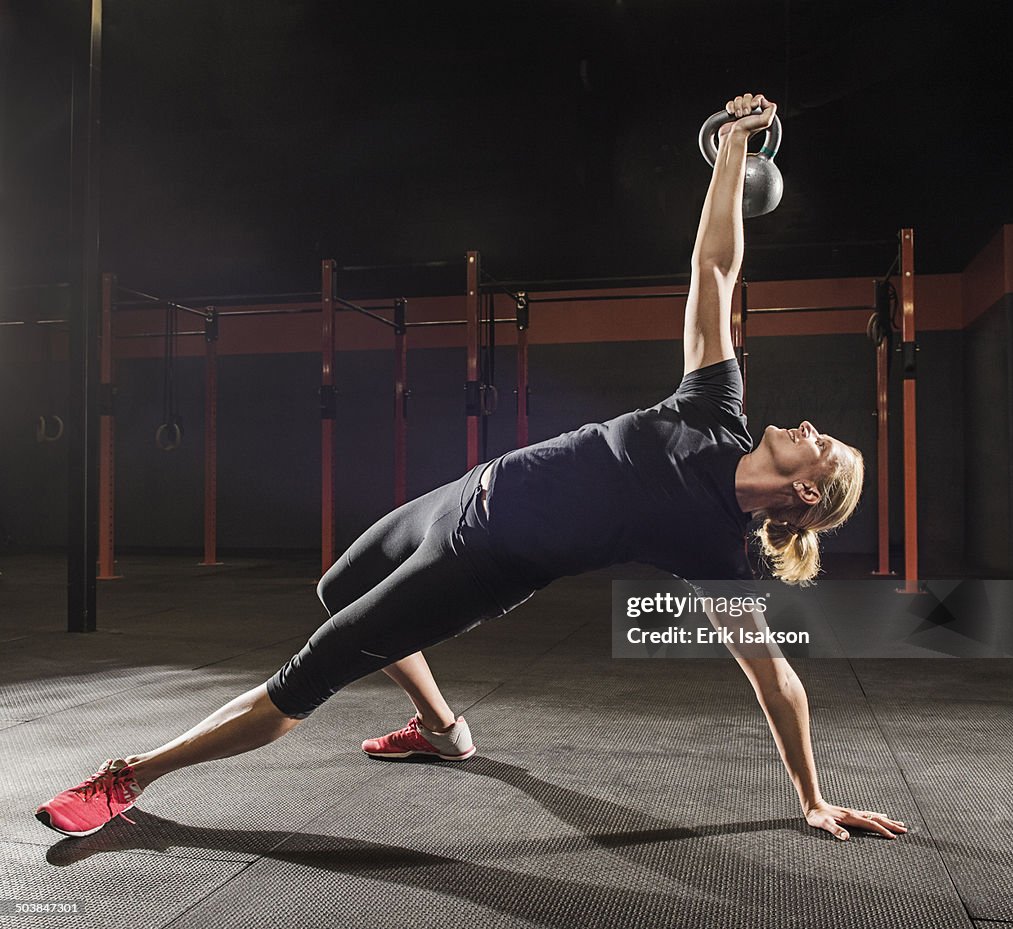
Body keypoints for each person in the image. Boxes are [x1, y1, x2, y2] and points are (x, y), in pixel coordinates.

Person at [36, 93, 906, 844]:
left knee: (308, 672)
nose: (811, 427)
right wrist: (733, 148)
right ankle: (442, 727)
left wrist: (813, 797)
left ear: (805, 494)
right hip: (463, 495)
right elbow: (713, 267)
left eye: (826, 447)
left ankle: (128, 778)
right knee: (337, 590)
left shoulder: (718, 547)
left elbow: (775, 678)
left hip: (479, 564)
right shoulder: (716, 407)